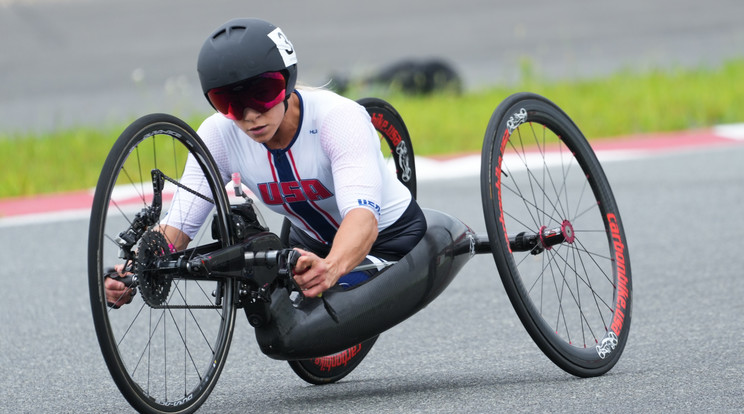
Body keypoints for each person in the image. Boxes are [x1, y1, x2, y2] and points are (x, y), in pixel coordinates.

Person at [105, 18, 427, 308]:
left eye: (263, 93)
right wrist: (138, 268)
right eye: (228, 102)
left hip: (388, 241)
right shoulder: (218, 134)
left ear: (287, 82)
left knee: (307, 322)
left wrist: (331, 268)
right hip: (308, 244)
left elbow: (362, 220)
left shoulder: (338, 119)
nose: (250, 115)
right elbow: (181, 224)